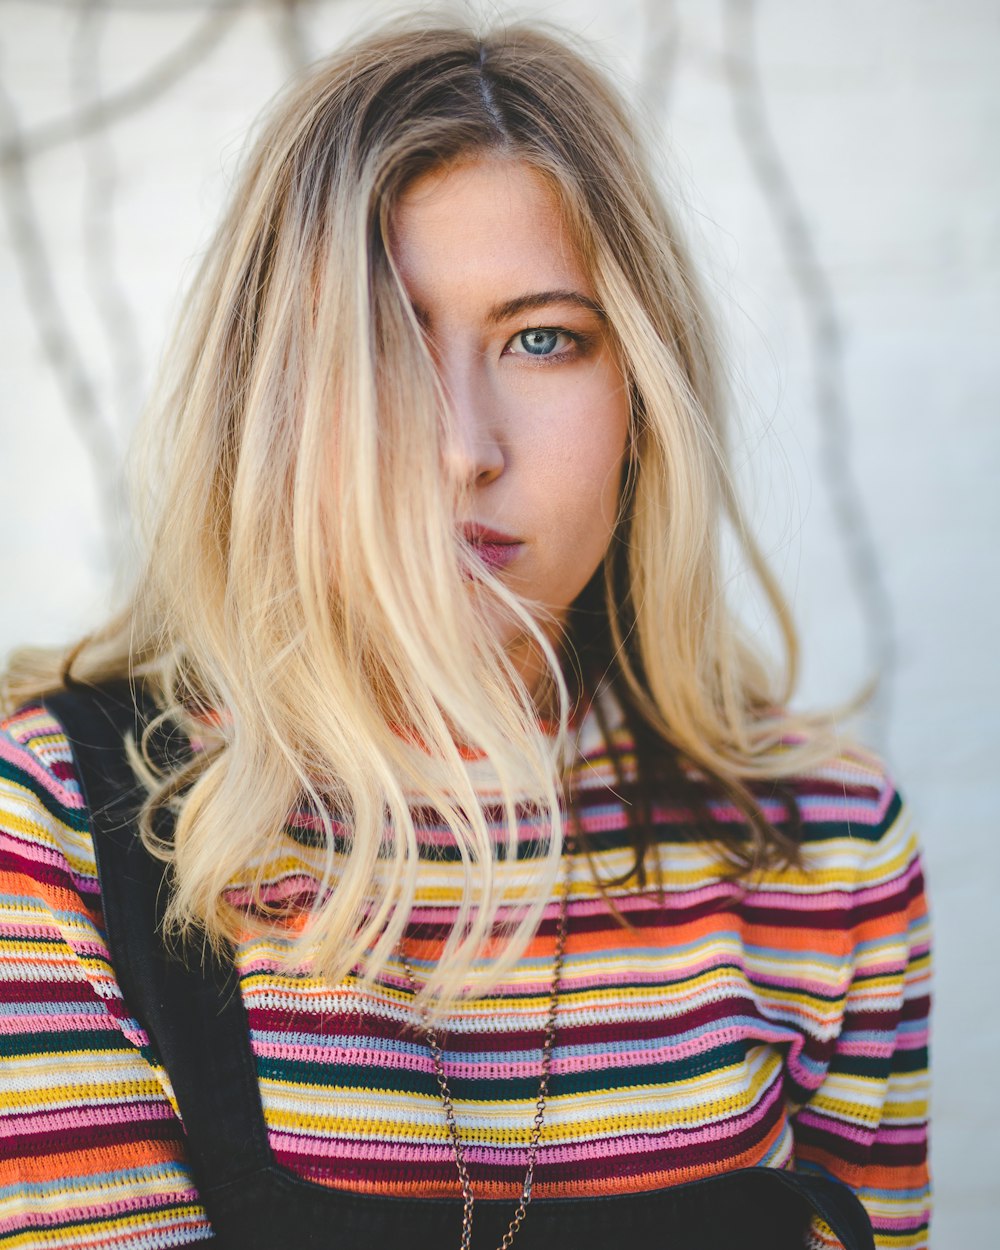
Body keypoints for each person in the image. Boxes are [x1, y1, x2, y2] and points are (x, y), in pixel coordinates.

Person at [0, 18, 929, 1250]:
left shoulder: (826, 846)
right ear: (267, 404)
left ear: (641, 402)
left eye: (542, 339)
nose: (460, 446)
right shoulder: (68, 818)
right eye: (378, 345)